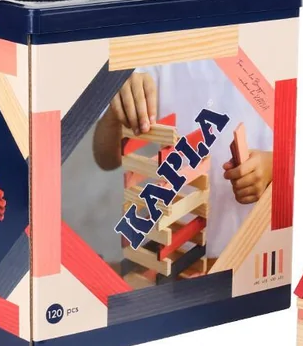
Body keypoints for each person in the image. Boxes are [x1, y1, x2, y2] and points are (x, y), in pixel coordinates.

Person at [94, 60, 273, 257]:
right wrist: (116, 108)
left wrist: (273, 166)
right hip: (177, 250)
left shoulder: (276, 53)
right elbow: (105, 156)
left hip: (257, 250)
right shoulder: (159, 53)